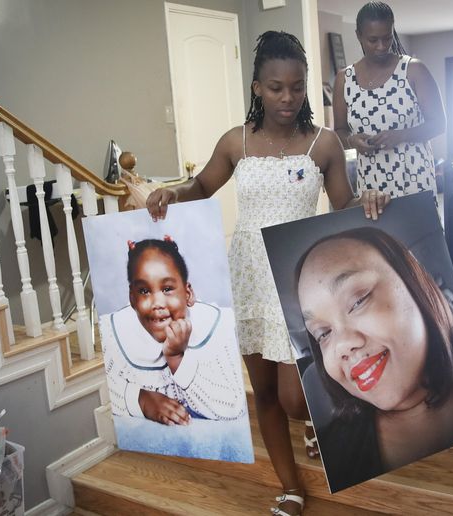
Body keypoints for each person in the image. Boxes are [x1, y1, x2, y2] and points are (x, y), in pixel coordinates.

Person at [146, 31, 390, 516]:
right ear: (258, 87)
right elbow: (200, 186)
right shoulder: (236, 141)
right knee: (266, 397)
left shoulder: (323, 145)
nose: (288, 97)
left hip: (297, 281)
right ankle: (290, 486)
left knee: (295, 399)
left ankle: (311, 424)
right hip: (249, 281)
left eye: (297, 87)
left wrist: (368, 200)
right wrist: (172, 191)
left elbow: (342, 206)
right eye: (276, 87)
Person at [294, 227, 453, 492]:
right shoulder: (337, 449)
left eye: (358, 301)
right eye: (323, 333)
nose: (341, 345)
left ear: (415, 285)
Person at [100, 237, 246, 425]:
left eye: (167, 289)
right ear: (132, 298)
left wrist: (177, 357)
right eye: (144, 291)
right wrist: (141, 399)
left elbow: (231, 408)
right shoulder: (114, 331)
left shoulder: (218, 325)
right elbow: (103, 391)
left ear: (188, 294)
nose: (157, 303)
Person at [333, 1, 446, 199]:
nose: (381, 46)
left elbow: (439, 124)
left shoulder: (414, 70)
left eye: (387, 38)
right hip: (371, 188)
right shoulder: (345, 79)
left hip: (415, 181)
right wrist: (352, 140)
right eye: (373, 40)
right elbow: (339, 132)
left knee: (417, 230)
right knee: (375, 231)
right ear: (358, 35)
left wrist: (401, 136)